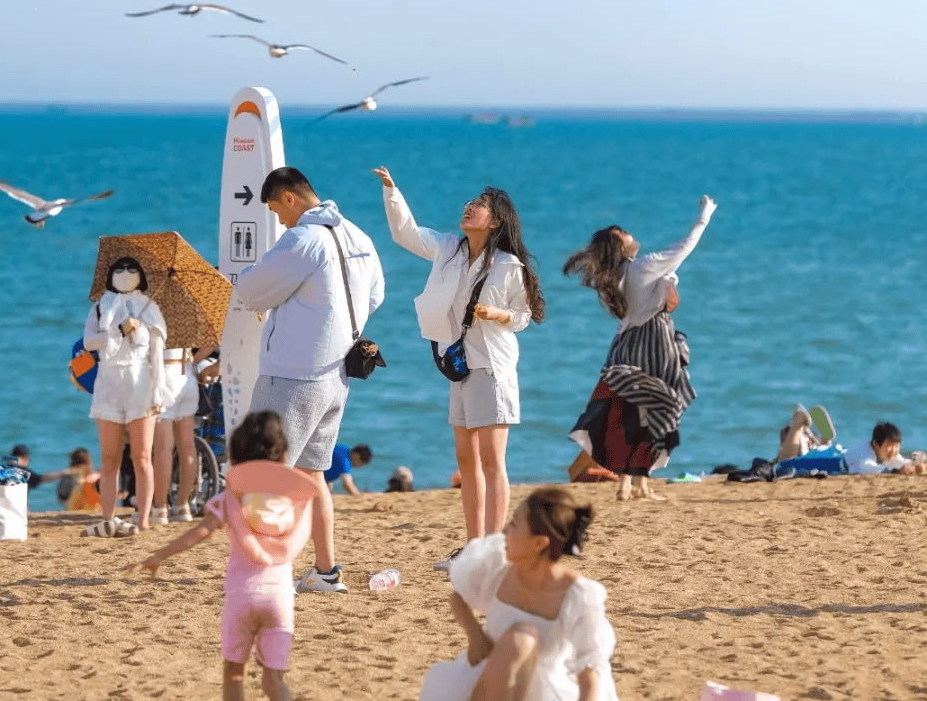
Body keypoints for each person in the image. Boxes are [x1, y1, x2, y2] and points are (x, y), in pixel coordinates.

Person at [373, 167, 544, 551]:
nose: (468, 208)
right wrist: (392, 190)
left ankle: (494, 547)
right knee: (465, 459)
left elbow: (523, 316)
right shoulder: (449, 248)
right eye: (469, 204)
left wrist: (498, 315)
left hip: (493, 365)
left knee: (491, 460)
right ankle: (472, 546)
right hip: (460, 365)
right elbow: (407, 234)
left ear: (496, 220)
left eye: (478, 206)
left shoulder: (508, 266)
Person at [233, 167, 384, 595]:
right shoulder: (358, 235)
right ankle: (325, 570)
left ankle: (266, 569)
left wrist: (295, 308)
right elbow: (374, 296)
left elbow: (251, 290)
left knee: (267, 474)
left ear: (289, 198)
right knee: (313, 474)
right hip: (337, 373)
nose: (278, 220)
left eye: (275, 210)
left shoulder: (302, 238)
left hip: (294, 372)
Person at [130, 410, 313, 701]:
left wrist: (158, 557)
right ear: (284, 457)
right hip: (280, 598)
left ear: (238, 458)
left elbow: (198, 534)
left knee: (234, 674)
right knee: (274, 678)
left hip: (241, 597)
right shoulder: (293, 504)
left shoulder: (232, 499)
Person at [419, 484, 627, 701]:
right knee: (521, 638)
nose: (505, 530)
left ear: (540, 542)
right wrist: (474, 634)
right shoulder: (497, 568)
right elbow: (458, 597)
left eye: (515, 524)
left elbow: (591, 675)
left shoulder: (579, 595)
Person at [564, 197, 716, 503]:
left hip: (624, 346)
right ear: (620, 242)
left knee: (628, 413)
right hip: (655, 344)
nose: (633, 236)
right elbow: (686, 246)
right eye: (626, 234)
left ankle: (633, 485)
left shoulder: (613, 277)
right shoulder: (644, 267)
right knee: (656, 409)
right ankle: (637, 484)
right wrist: (705, 216)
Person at [82, 253, 168, 537]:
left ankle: (143, 519)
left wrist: (158, 391)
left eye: (132, 268)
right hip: (108, 384)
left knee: (142, 457)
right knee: (109, 458)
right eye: (120, 269)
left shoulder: (150, 307)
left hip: (141, 385)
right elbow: (89, 342)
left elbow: (157, 354)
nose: (126, 272)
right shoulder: (100, 307)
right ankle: (108, 518)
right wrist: (119, 330)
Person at [151, 344, 216, 525]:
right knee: (187, 446)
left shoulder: (155, 315)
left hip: (163, 375)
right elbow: (211, 339)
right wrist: (194, 361)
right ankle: (183, 506)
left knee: (163, 448)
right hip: (186, 374)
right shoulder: (189, 316)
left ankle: (161, 509)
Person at [845, 422, 925, 476]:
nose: (894, 450)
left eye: (897, 446)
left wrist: (916, 466)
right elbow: (867, 468)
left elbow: (901, 463)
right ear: (876, 444)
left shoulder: (887, 453)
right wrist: (897, 471)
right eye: (889, 445)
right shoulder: (864, 451)